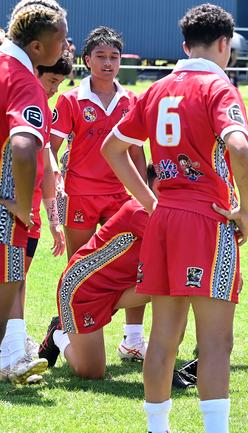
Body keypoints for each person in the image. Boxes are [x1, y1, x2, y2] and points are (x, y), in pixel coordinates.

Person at [101, 4, 248, 433]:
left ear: (184, 45)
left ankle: (157, 429)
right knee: (216, 341)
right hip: (207, 220)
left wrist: (150, 201)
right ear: (224, 44)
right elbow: (240, 148)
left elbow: (112, 149)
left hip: (165, 218)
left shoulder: (157, 87)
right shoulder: (219, 87)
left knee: (164, 336)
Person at [50, 26, 148, 362]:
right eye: (101, 56)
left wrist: (144, 193)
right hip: (80, 195)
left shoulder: (131, 100)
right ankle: (71, 332)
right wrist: (57, 180)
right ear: (87, 59)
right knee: (80, 268)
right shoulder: (71, 99)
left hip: (122, 196)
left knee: (138, 264)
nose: (108, 63)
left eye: (114, 57)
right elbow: (52, 146)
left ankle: (133, 339)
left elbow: (135, 151)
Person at [0, 0, 68, 385]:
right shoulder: (23, 81)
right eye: (60, 38)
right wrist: (22, 206)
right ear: (38, 47)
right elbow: (25, 147)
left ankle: (12, 354)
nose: (65, 44)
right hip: (3, 214)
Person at [38, 165, 157, 379]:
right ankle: (58, 333)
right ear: (158, 185)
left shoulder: (167, 213)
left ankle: (156, 357)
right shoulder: (142, 211)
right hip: (82, 289)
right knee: (92, 372)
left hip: (115, 291)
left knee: (170, 286)